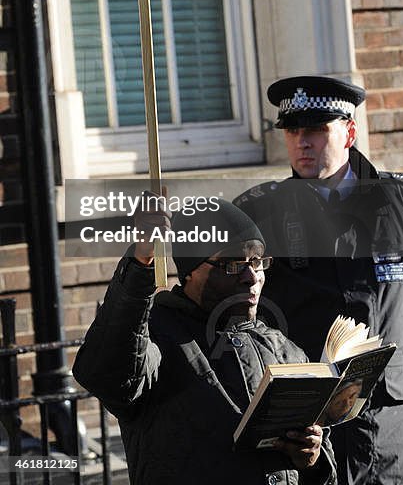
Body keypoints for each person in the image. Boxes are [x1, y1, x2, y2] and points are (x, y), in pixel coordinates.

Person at [234, 75, 403, 485]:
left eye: (316, 129)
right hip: (308, 433)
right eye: (293, 131)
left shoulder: (400, 201)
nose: (302, 142)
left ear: (349, 132)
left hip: (393, 424)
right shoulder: (261, 211)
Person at [73, 198, 337, 485]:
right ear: (191, 273)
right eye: (232, 264)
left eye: (257, 261)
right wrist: (140, 261)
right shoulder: (158, 336)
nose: (251, 277)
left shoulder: (284, 349)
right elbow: (108, 374)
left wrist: (313, 459)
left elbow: (320, 467)